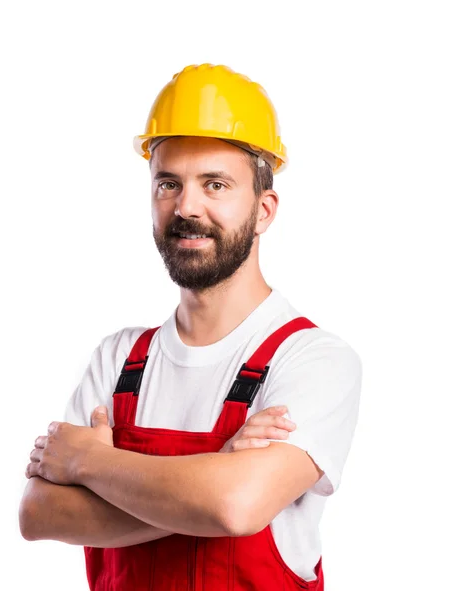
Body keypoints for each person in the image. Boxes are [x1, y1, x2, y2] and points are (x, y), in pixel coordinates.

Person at [19, 63, 362, 590]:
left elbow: (235, 506)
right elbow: (39, 514)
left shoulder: (312, 359)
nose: (186, 207)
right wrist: (214, 471)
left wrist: (89, 462)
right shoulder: (117, 360)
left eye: (215, 184)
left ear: (264, 210)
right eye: (168, 183)